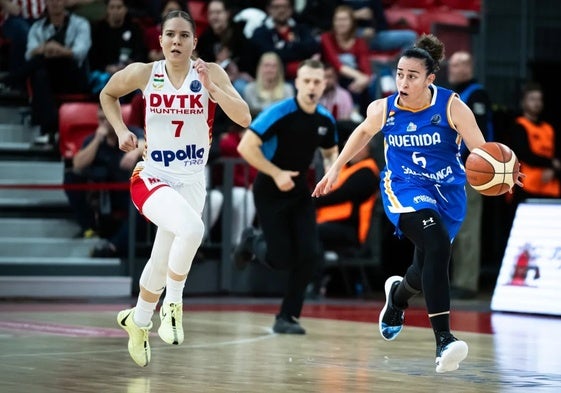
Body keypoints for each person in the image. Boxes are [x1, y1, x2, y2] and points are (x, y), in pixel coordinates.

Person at [312, 34, 522, 373]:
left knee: (424, 269)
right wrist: (336, 168)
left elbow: (482, 153)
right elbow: (363, 133)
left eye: (412, 75)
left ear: (429, 79)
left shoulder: (453, 106)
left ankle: (397, 297)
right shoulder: (384, 108)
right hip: (404, 186)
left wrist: (503, 173)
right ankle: (444, 341)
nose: (403, 81)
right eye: (399, 73)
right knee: (437, 244)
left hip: (448, 192)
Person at [99, 10, 251, 367]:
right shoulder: (144, 73)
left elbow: (244, 117)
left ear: (194, 42)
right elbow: (108, 93)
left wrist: (213, 90)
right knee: (193, 229)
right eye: (170, 35)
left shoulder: (210, 72)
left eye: (184, 36)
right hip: (152, 176)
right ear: (160, 40)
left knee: (162, 257)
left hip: (193, 180)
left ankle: (137, 322)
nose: (176, 42)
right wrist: (121, 131)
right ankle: (173, 305)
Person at [234, 59, 338, 334]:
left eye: (317, 82)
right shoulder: (280, 112)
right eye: (307, 81)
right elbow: (246, 146)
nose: (312, 87)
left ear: (324, 84)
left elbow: (330, 152)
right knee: (281, 258)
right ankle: (251, 240)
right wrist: (276, 172)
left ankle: (287, 317)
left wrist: (331, 170)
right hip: (270, 188)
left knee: (310, 255)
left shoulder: (325, 120)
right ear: (298, 84)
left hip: (299, 191)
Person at [447, 51, 494, 300]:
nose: (454, 69)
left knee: (468, 227)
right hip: (453, 172)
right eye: (452, 65)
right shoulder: (454, 96)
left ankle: (466, 283)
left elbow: (478, 136)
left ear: (470, 67)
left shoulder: (476, 95)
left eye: (459, 64)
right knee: (454, 226)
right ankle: (455, 280)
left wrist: (472, 165)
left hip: (471, 171)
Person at [64, 105, 144, 241]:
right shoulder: (93, 139)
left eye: (106, 119)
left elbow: (145, 142)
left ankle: (113, 247)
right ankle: (89, 227)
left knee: (141, 205)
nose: (103, 123)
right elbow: (78, 163)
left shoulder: (130, 133)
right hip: (102, 191)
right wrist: (97, 140)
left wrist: (135, 151)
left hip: (127, 191)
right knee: (71, 177)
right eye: (100, 119)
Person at [17, 0, 91, 144]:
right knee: (40, 72)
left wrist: (59, 50)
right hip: (47, 79)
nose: (55, 3)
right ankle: (51, 130)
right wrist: (46, 47)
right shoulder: (38, 27)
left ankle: (12, 79)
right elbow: (29, 53)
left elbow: (80, 52)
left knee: (40, 64)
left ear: (65, 3)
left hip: (73, 76)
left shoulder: (80, 24)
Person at [509, 82, 561, 205]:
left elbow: (556, 154)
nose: (536, 103)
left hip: (549, 186)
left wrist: (553, 169)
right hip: (526, 186)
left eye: (539, 99)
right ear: (523, 102)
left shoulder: (549, 128)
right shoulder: (519, 126)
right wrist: (551, 163)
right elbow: (524, 154)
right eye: (532, 99)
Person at [320, 5, 376, 115]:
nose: (341, 23)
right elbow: (336, 64)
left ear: (352, 22)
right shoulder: (326, 38)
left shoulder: (359, 42)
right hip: (332, 78)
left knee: (368, 83)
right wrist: (361, 77)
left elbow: (366, 68)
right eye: (338, 19)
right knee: (355, 80)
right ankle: (355, 113)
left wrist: (364, 79)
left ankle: (364, 116)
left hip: (353, 83)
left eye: (345, 19)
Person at [196, 0, 257, 95]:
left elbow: (249, 67)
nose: (214, 17)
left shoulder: (239, 35)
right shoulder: (205, 38)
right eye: (211, 13)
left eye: (218, 12)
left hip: (238, 82)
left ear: (228, 14)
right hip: (213, 81)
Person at [88, 0, 148, 96]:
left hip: (129, 73)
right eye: (112, 7)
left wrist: (129, 66)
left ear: (125, 9)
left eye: (119, 7)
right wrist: (107, 68)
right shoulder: (98, 30)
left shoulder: (135, 29)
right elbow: (93, 58)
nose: (115, 11)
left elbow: (141, 54)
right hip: (105, 74)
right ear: (107, 10)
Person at [250, 0, 320, 81]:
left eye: (285, 7)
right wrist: (298, 50)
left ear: (291, 9)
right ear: (269, 9)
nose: (281, 10)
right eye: (277, 7)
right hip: (270, 80)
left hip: (301, 79)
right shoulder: (260, 32)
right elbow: (267, 54)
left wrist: (284, 49)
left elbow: (313, 47)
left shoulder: (302, 29)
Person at [242, 51, 295, 117]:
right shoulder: (249, 89)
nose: (270, 70)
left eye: (274, 66)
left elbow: (290, 112)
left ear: (279, 69)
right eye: (266, 66)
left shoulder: (287, 89)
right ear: (260, 68)